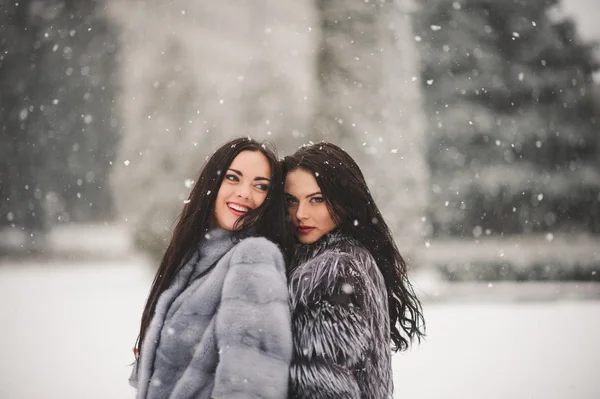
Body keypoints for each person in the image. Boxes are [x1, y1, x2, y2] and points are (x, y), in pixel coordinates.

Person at [130, 137, 293, 399]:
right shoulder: (193, 258)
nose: (244, 193)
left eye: (260, 186)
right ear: (212, 183)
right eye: (233, 178)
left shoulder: (252, 260)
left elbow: (250, 389)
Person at [282, 142, 425, 398]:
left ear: (343, 202)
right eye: (292, 201)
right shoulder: (353, 258)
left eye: (317, 200)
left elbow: (321, 387)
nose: (301, 214)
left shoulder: (332, 270)